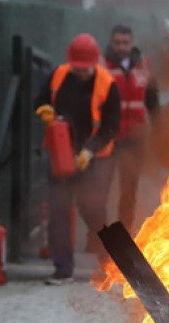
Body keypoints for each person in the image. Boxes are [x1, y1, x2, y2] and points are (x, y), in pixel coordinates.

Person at [34, 33, 120, 285]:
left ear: (95, 63)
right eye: (76, 68)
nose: (80, 72)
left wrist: (89, 150)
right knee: (59, 210)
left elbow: (111, 126)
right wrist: (45, 110)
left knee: (94, 211)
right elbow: (40, 100)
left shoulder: (107, 84)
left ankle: (109, 265)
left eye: (85, 69)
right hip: (60, 155)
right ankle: (62, 269)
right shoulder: (59, 75)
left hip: (93, 159)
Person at [103, 25, 161, 234]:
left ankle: (124, 232)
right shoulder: (103, 66)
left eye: (125, 43)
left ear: (132, 44)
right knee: (102, 187)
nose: (121, 47)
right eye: (117, 42)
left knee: (129, 189)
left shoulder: (143, 67)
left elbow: (152, 101)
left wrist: (158, 128)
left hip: (135, 138)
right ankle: (98, 236)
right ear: (111, 43)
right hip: (108, 137)